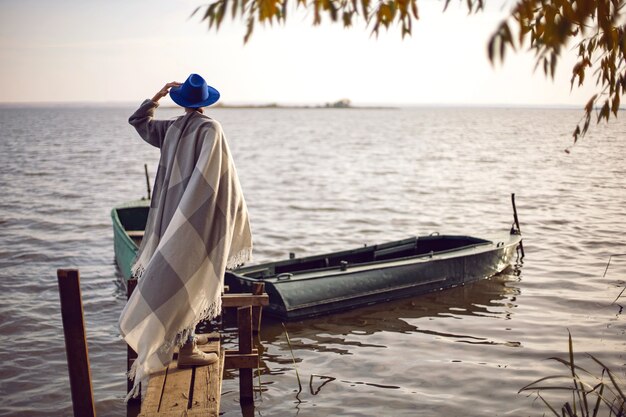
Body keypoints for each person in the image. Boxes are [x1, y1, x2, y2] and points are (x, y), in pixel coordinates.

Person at [119, 74, 253, 397]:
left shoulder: (171, 128)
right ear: (205, 103)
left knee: (179, 275)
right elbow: (222, 178)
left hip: (170, 216)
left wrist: (158, 96)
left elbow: (137, 120)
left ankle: (182, 337)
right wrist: (231, 214)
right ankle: (188, 346)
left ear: (182, 101)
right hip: (195, 216)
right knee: (193, 276)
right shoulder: (211, 129)